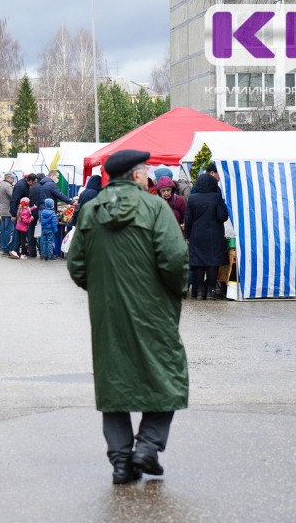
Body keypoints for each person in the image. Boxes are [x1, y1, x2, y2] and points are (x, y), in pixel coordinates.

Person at [67, 149, 189, 485]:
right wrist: (173, 291)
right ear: (137, 175)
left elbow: (76, 265)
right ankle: (147, 447)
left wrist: (105, 290)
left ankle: (122, 462)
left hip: (108, 314)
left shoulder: (90, 211)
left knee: (113, 381)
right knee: (168, 374)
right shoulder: (155, 208)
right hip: (155, 311)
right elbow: (176, 259)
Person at [184, 173, 229, 300]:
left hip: (196, 235)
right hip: (214, 236)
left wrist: (187, 235)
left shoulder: (192, 198)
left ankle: (199, 292)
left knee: (198, 263)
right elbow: (223, 216)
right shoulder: (217, 197)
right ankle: (210, 291)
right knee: (212, 263)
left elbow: (188, 219)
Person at [0, 173, 15, 255]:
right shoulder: (8, 186)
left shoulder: (1, 184)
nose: (13, 180)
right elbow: (13, 196)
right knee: (8, 230)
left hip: (2, 210)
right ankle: (4, 247)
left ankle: (2, 246)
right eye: (12, 178)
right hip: (8, 211)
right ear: (8, 178)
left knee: (3, 230)